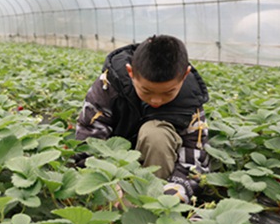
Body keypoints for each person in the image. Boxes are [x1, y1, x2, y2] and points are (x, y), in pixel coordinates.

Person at [74, 34, 209, 203]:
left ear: (184, 76)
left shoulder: (191, 100)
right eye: (146, 91)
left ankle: (151, 203)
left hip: (161, 170)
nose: (156, 100)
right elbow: (88, 141)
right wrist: (106, 180)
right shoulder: (109, 86)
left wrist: (175, 191)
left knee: (156, 134)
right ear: (131, 73)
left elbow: (194, 158)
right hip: (116, 165)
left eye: (168, 92)